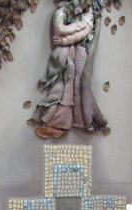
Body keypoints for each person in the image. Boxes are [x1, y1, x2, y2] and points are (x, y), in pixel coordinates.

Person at [29, 0, 108, 138]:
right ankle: (51, 120)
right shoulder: (62, 12)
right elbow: (62, 29)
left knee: (68, 89)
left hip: (71, 54)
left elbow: (83, 32)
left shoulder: (82, 14)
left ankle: (61, 122)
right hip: (63, 56)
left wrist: (69, 36)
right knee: (61, 87)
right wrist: (81, 24)